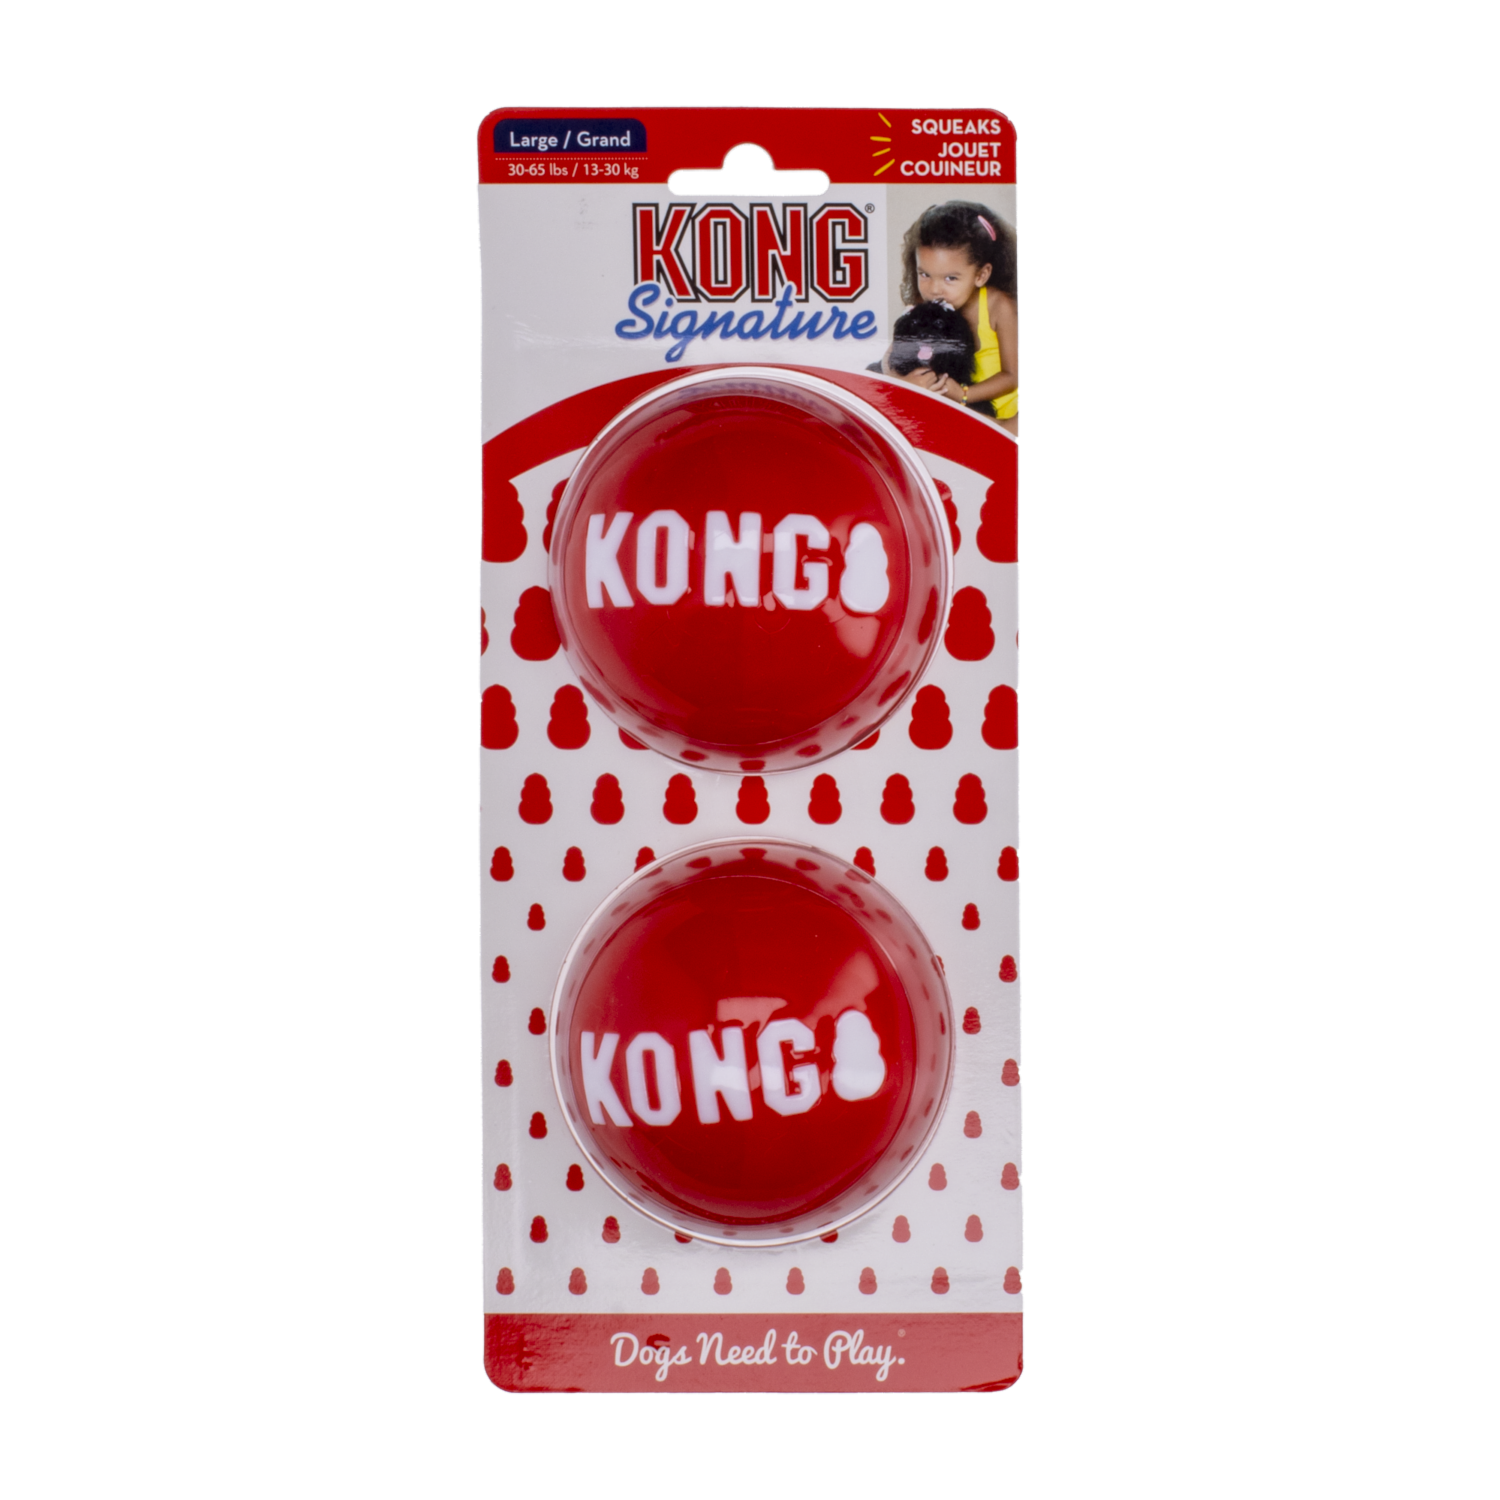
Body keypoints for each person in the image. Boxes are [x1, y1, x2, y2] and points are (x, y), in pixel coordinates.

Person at [886, 201, 1019, 437]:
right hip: (957, 410)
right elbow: (890, 355)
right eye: (924, 274)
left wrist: (964, 395)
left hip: (1004, 415)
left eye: (950, 278)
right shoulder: (927, 307)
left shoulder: (998, 306)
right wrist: (902, 380)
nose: (935, 289)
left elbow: (1013, 376)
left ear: (981, 275)